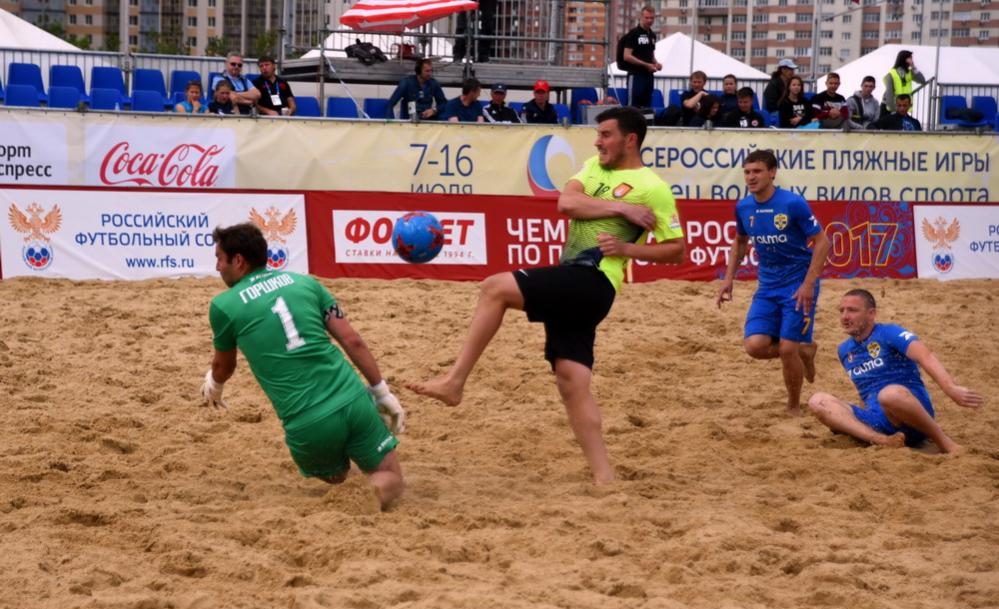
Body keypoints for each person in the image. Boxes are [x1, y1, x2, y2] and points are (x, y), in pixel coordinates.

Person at [408, 107, 685, 484]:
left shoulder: (653, 188)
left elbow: (676, 250)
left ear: (630, 139)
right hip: (575, 280)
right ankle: (605, 477)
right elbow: (566, 203)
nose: (597, 142)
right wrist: (621, 207)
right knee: (571, 381)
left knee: (494, 287)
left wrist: (628, 249)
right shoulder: (594, 167)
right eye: (598, 134)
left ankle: (454, 382)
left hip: (593, 279)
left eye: (605, 134)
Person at [201, 223, 406, 509]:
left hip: (308, 423)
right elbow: (352, 341)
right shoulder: (306, 283)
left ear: (238, 260)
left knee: (337, 476)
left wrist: (214, 385)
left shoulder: (224, 306)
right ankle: (367, 493)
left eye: (219, 258)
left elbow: (224, 366)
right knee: (391, 478)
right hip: (353, 399)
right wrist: (382, 392)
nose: (217, 267)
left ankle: (350, 500)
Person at [716, 149, 831, 416]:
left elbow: (823, 242)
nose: (751, 177)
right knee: (754, 346)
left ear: (772, 173)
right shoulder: (744, 207)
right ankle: (805, 350)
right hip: (767, 285)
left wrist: (808, 284)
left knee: (787, 348)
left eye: (757, 171)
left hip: (797, 284)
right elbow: (740, 242)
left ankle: (793, 406)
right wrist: (728, 278)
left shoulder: (792, 203)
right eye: (747, 172)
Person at [808, 289, 983, 453]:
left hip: (910, 414)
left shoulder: (890, 333)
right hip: (879, 422)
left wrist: (950, 388)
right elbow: (865, 389)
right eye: (841, 311)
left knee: (889, 394)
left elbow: (926, 356)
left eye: (852, 310)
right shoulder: (844, 350)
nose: (845, 316)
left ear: (871, 314)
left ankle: (943, 442)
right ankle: (880, 440)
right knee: (817, 400)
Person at [619, 5, 661, 109]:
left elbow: (651, 55)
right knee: (633, 107)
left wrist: (656, 63)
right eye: (647, 18)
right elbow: (627, 56)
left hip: (648, 76)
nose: (649, 20)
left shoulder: (652, 35)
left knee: (647, 107)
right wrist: (646, 65)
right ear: (641, 17)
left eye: (652, 18)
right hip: (636, 75)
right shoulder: (634, 33)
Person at [882, 49, 925, 114]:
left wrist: (913, 67)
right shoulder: (892, 74)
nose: (912, 61)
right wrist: (894, 110)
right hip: (890, 108)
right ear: (904, 59)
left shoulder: (909, 72)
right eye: (910, 58)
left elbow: (922, 80)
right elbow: (889, 94)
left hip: (902, 107)